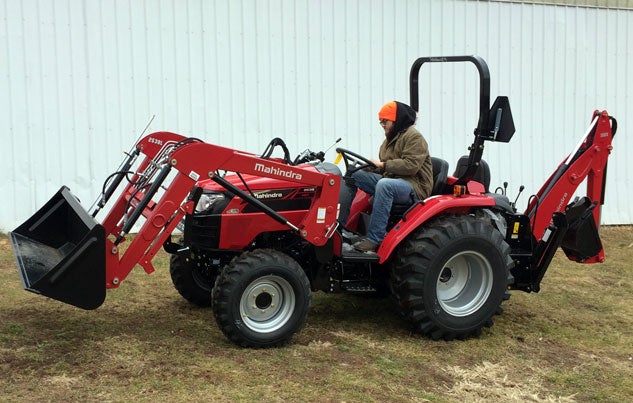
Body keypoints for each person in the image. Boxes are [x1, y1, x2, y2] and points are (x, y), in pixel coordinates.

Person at [339, 101, 433, 253]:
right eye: (380, 121)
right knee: (354, 175)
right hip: (394, 180)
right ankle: (338, 228)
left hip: (414, 186)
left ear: (397, 120)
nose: (382, 124)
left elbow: (411, 166)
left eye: (385, 121)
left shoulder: (414, 137)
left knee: (385, 185)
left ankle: (374, 239)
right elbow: (385, 170)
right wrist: (372, 168)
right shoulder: (388, 140)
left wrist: (382, 165)